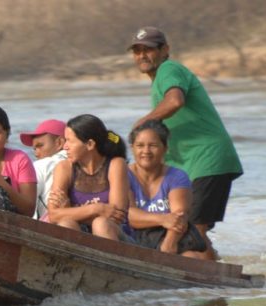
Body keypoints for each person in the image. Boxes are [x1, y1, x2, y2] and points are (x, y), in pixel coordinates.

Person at [128, 26, 243, 260]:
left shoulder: (169, 69)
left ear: (165, 50)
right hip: (191, 164)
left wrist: (143, 122)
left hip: (207, 158)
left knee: (194, 230)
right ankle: (220, 275)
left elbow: (175, 101)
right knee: (190, 231)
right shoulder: (160, 79)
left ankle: (215, 284)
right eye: (137, 51)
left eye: (148, 50)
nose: (142, 56)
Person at [126, 120, 209, 259]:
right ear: (132, 148)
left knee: (192, 257)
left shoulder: (177, 176)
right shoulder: (123, 174)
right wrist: (163, 219)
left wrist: (169, 244)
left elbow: (180, 216)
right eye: (140, 145)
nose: (146, 151)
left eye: (153, 146)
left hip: (169, 235)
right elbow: (129, 215)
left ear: (165, 148)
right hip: (132, 237)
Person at [46, 114, 130, 241]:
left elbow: (115, 216)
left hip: (117, 236)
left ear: (90, 144)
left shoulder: (116, 164)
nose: (65, 147)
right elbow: (54, 215)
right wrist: (97, 208)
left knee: (100, 224)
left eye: (70, 141)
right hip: (81, 233)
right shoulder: (64, 168)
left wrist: (70, 210)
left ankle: (106, 261)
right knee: (65, 224)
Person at [19, 119, 67, 218]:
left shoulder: (41, 165)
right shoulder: (84, 162)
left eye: (40, 146)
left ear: (59, 143)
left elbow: (27, 207)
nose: (36, 153)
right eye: (34, 149)